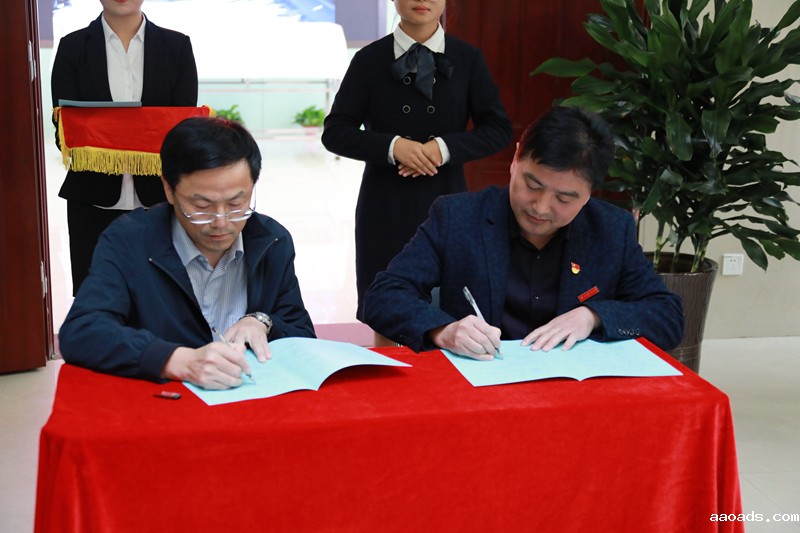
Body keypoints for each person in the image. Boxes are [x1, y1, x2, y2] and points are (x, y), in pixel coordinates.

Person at [363, 106, 685, 359]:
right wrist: (444, 331)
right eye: (532, 185)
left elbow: (668, 316)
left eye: (564, 199)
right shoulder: (457, 217)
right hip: (479, 390)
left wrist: (592, 316)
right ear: (516, 158)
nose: (541, 208)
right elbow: (383, 296)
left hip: (570, 396)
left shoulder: (611, 230)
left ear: (588, 194)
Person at [59, 117, 316, 389]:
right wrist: (176, 360)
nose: (221, 222)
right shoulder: (130, 240)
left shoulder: (271, 241)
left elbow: (302, 333)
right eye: (202, 206)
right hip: (164, 401)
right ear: (169, 189)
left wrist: (263, 322)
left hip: (249, 397)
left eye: (236, 203)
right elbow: (82, 331)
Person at [321, 0, 512, 329]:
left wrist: (443, 149)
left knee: (447, 308)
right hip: (385, 204)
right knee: (384, 306)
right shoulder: (368, 59)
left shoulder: (468, 58)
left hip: (448, 203)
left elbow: (498, 129)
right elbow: (335, 132)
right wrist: (394, 147)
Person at [51, 0, 198, 294]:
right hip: (91, 198)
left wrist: (114, 136)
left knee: (162, 295)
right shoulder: (73, 46)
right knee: (98, 295)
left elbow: (181, 128)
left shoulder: (177, 46)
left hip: (161, 199)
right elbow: (65, 130)